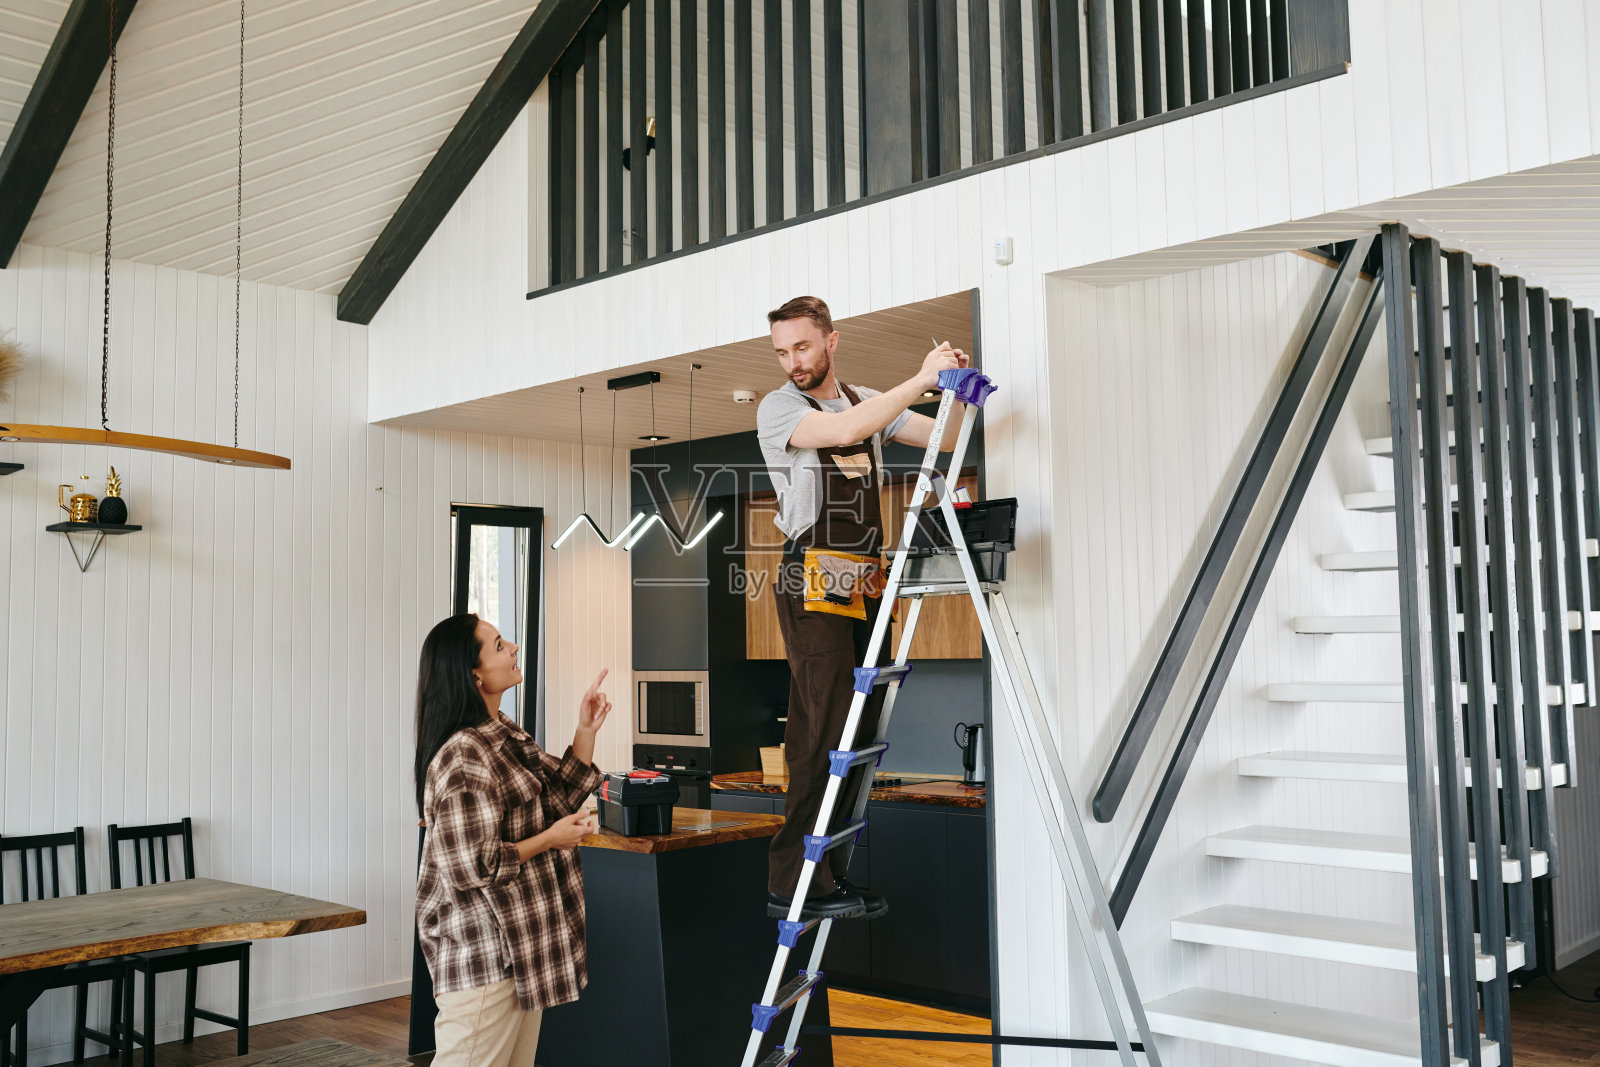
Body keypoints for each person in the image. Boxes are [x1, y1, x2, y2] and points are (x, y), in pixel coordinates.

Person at [756, 295, 968, 920]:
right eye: (782, 351)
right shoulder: (780, 408)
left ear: (831, 340)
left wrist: (953, 390)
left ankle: (827, 876)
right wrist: (920, 379)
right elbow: (846, 432)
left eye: (802, 346)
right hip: (811, 577)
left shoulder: (863, 400)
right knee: (823, 726)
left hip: (862, 581)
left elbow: (947, 438)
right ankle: (791, 880)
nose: (793, 362)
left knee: (859, 726)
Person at [412, 613, 612, 1067]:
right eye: (500, 645)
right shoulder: (464, 754)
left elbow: (558, 797)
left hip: (521, 950)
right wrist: (550, 839)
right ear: (475, 675)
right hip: (484, 955)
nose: (514, 648)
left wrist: (585, 730)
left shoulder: (502, 732)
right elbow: (473, 866)